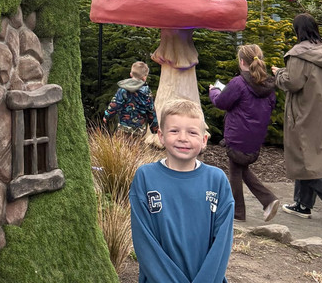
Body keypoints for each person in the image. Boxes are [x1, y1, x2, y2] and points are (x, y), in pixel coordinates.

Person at [129, 97, 234, 283]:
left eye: (192, 132)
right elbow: (144, 243)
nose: (183, 138)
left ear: (204, 140)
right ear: (161, 136)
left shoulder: (217, 181)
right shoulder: (145, 178)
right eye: (174, 131)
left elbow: (222, 246)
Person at [273, 13, 322, 227]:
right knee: (308, 156)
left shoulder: (298, 55)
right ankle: (302, 204)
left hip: (304, 112)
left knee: (302, 157)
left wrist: (279, 73)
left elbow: (294, 83)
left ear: (297, 31)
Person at [209, 44, 280, 222]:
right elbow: (271, 105)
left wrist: (214, 91)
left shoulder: (238, 83)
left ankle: (242, 211)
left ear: (242, 62)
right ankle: (263, 203)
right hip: (255, 138)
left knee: (235, 172)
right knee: (240, 169)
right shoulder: (269, 85)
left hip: (237, 135)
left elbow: (221, 102)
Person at [103, 60, 159, 137]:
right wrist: (154, 128)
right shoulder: (147, 92)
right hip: (139, 129)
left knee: (121, 147)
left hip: (123, 128)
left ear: (131, 74)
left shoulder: (123, 90)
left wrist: (107, 116)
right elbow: (151, 111)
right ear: (144, 77)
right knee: (136, 147)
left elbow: (115, 104)